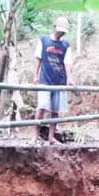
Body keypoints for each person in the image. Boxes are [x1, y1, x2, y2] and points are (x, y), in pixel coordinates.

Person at [34, 16, 75, 144]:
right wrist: (35, 75)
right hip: (45, 80)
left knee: (55, 111)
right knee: (41, 108)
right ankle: (35, 136)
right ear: (55, 28)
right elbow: (38, 58)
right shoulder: (44, 40)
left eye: (63, 31)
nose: (61, 33)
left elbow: (67, 63)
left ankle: (51, 137)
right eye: (60, 30)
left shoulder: (65, 45)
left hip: (59, 81)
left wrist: (70, 78)